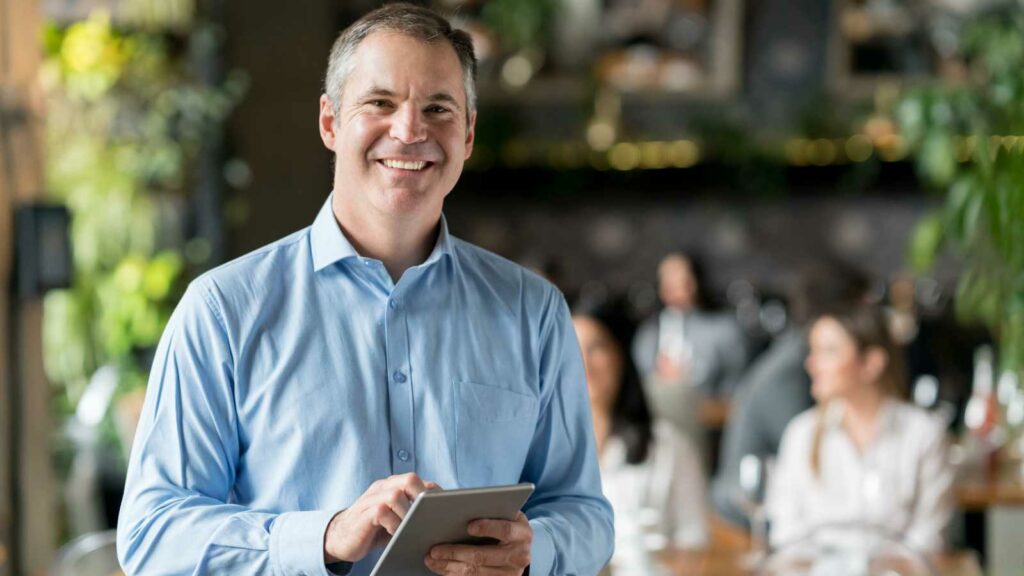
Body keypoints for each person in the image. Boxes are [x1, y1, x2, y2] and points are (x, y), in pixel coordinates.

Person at [116, 4, 613, 575]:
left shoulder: (534, 312)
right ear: (330, 122)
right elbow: (152, 534)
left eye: (438, 108)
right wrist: (321, 536)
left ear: (468, 134)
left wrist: (537, 550)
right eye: (380, 103)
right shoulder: (223, 312)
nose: (410, 130)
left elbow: (584, 514)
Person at [765, 303, 954, 553]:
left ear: (871, 363)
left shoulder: (922, 434)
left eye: (828, 351)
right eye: (813, 351)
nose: (812, 364)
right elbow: (786, 535)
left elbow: (928, 539)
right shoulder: (802, 433)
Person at [711, 261, 869, 528]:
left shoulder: (798, 352)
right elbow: (814, 459)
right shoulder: (791, 372)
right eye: (864, 308)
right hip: (747, 513)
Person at [573, 301, 708, 552]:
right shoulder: (543, 449)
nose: (584, 363)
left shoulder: (669, 446)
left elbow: (695, 541)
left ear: (621, 354)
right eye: (571, 350)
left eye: (596, 348)